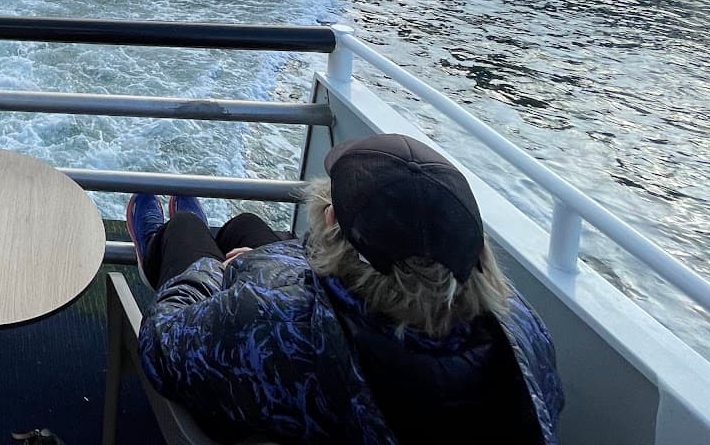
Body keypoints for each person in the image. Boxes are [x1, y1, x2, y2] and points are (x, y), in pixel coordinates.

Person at [129, 133, 564, 445]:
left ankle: (161, 244)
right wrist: (271, 263)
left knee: (187, 235)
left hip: (259, 392)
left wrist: (223, 275)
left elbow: (161, 344)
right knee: (247, 226)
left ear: (331, 223)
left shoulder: (272, 320)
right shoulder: (523, 329)